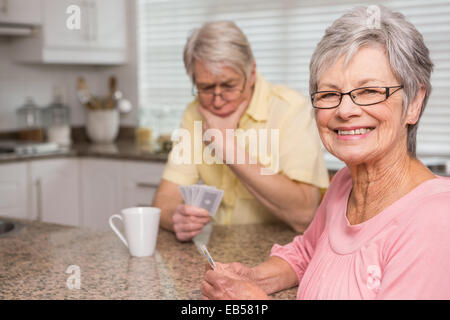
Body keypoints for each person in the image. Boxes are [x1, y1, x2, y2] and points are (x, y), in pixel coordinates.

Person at [201, 6, 450, 299]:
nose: (344, 110)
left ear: (414, 103)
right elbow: (307, 252)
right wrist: (255, 277)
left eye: (369, 91)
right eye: (329, 94)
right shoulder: (345, 183)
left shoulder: (437, 219)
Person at [153, 21, 329, 241]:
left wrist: (228, 149)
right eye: (206, 88)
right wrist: (175, 218)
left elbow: (304, 214)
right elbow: (164, 200)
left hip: (279, 254)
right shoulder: (194, 112)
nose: (217, 100)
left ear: (252, 72)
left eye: (228, 85)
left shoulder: (291, 109)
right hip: (219, 250)